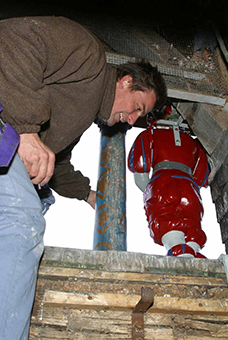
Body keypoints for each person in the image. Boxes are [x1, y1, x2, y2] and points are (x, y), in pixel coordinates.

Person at [0, 16, 167, 340]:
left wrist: (89, 195)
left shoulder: (80, 116)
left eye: (138, 117)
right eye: (137, 107)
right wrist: (26, 128)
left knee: (36, 200)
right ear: (126, 81)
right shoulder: (88, 55)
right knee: (21, 221)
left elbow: (56, 162)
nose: (132, 121)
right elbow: (15, 40)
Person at [128, 105, 210, 258]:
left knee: (165, 217)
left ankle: (177, 248)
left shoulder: (150, 134)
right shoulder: (194, 143)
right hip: (190, 187)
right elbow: (201, 176)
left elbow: (141, 168)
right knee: (192, 221)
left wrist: (152, 192)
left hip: (163, 180)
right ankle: (194, 250)